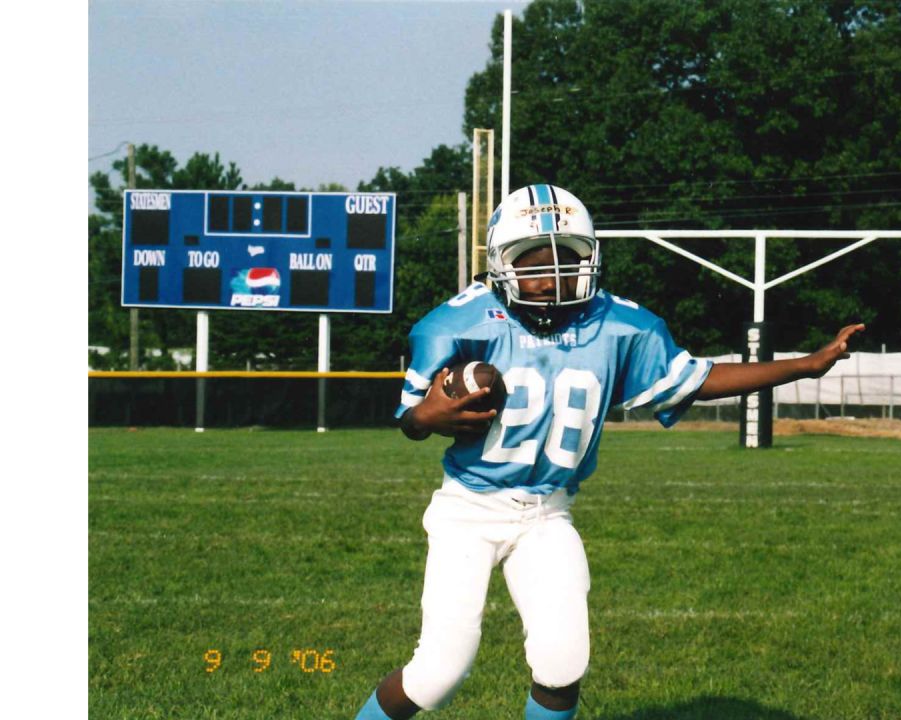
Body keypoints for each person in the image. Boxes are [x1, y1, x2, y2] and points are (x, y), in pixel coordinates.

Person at [354, 184, 863, 720]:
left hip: (548, 511)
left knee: (562, 664)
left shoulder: (620, 326)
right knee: (438, 673)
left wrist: (804, 365)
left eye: (565, 259)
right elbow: (412, 421)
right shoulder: (458, 323)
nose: (551, 275)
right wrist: (425, 418)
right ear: (501, 264)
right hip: (469, 509)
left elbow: (699, 378)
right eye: (533, 261)